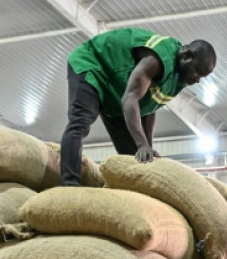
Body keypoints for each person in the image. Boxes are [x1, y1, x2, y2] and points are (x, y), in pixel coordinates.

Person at [60, 28, 217, 186]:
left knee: (135, 157)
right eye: (198, 72)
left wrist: (146, 147)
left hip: (117, 89)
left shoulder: (179, 78)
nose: (198, 80)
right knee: (80, 123)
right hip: (93, 64)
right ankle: (70, 185)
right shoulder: (158, 58)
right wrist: (142, 144)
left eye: (202, 77)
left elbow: (148, 107)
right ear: (186, 55)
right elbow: (130, 99)